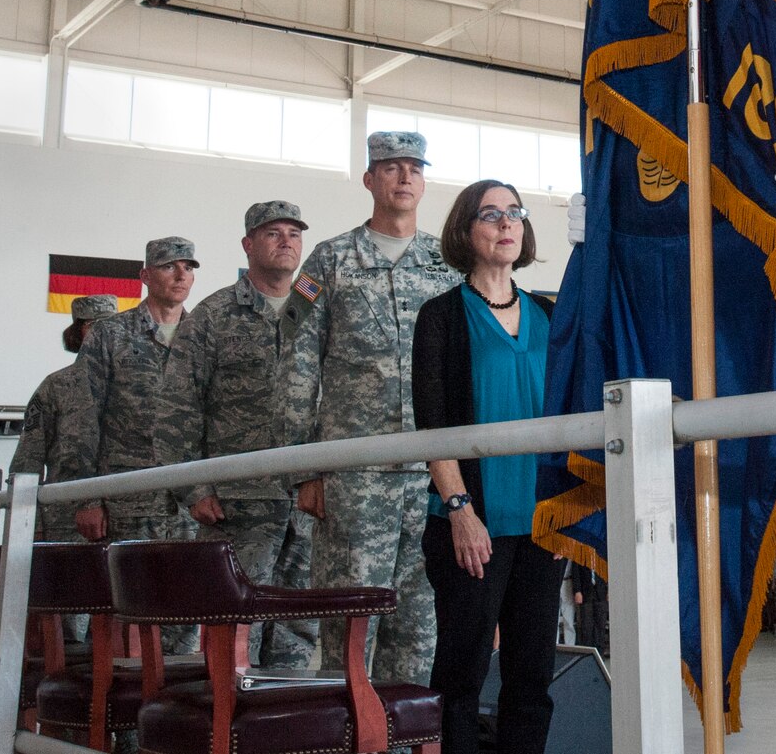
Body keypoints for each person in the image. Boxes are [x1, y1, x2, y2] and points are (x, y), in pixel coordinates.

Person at [294, 131, 462, 686]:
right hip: (354, 475)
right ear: (369, 179)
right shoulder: (332, 258)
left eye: (415, 167)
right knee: (350, 622)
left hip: (432, 476)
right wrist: (305, 469)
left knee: (420, 628)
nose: (405, 177)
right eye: (391, 168)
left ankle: (403, 740)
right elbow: (296, 366)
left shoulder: (447, 263)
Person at [411, 180, 561, 754]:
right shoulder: (443, 316)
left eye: (514, 214)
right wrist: (459, 510)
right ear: (466, 232)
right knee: (462, 674)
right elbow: (435, 423)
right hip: (472, 521)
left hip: (542, 523)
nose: (506, 224)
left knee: (532, 676)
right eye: (490, 214)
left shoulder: (551, 314)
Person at [154, 202, 323, 668]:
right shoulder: (213, 315)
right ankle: (228, 730)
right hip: (239, 503)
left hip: (308, 502)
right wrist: (193, 489)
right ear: (248, 244)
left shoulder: (316, 303)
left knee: (299, 628)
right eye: (273, 233)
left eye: (294, 233)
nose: (286, 240)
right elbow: (176, 410)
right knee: (235, 626)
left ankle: (286, 727)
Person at [71, 237, 201, 653]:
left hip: (189, 503)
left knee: (185, 616)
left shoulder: (204, 334)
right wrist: (87, 496)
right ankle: (122, 714)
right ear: (145, 276)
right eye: (169, 266)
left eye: (188, 267)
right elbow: (83, 416)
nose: (181, 275)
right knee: (124, 615)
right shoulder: (111, 333)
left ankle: (177, 714)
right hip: (128, 501)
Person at [11, 294, 119, 541]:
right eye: (95, 326)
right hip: (67, 523)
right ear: (79, 331)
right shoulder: (56, 386)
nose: (105, 334)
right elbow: (28, 460)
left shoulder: (135, 383)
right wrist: (29, 525)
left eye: (111, 326)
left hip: (125, 518)